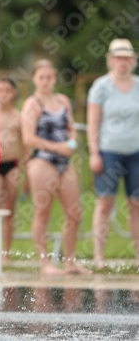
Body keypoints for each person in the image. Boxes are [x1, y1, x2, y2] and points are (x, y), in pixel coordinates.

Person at [21, 59, 90, 275]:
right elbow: (28, 138)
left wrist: (70, 143)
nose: (45, 81)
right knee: (43, 212)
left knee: (75, 213)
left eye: (49, 77)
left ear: (54, 78)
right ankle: (45, 263)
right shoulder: (32, 105)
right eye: (41, 77)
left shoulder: (62, 101)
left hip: (64, 162)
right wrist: (56, 147)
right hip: (42, 161)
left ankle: (70, 260)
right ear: (34, 79)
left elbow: (72, 128)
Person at [87, 38, 139, 269]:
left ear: (133, 60)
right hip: (109, 152)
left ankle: (138, 256)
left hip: (135, 152)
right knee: (105, 202)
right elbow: (93, 123)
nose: (123, 61)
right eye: (119, 57)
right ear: (111, 60)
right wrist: (94, 152)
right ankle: (99, 257)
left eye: (127, 57)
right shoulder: (101, 86)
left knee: (135, 204)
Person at [0, 78, 23, 264]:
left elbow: (24, 145)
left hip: (12, 164)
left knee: (10, 208)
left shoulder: (18, 116)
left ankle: (6, 253)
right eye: (0, 90)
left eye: (7, 90)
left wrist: (25, 170)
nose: (3, 94)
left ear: (13, 94)